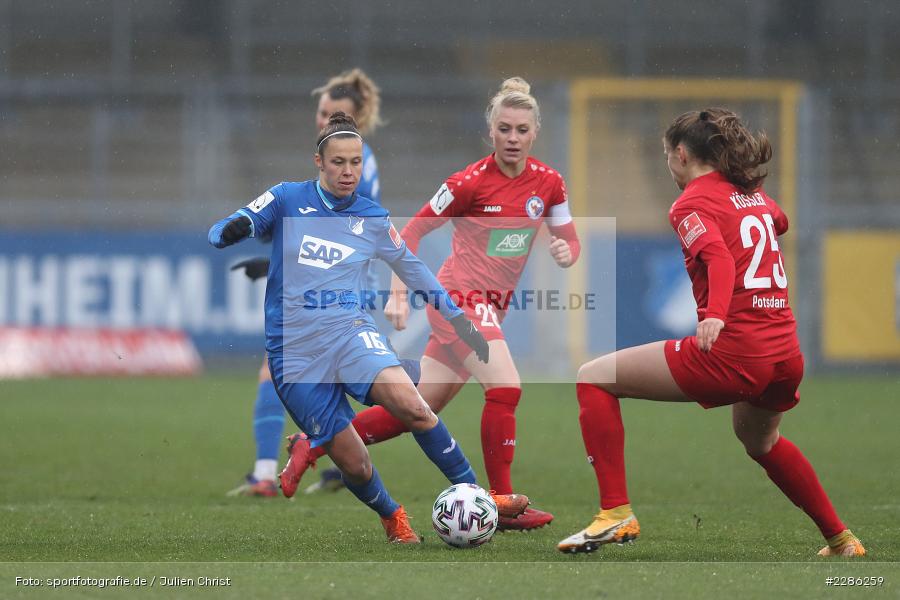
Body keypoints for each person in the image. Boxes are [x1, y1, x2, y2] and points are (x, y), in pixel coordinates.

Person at [557, 108, 865, 557]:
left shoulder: (690, 203)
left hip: (736, 350)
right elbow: (778, 222)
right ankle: (842, 540)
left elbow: (718, 258)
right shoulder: (751, 193)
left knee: (593, 376)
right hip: (784, 353)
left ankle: (615, 513)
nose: (668, 165)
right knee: (760, 441)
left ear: (681, 154)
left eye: (667, 156)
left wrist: (715, 313)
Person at [209, 112, 529, 543]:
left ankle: (480, 497)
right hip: (295, 354)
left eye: (355, 162)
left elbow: (414, 270)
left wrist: (457, 318)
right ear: (319, 162)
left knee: (414, 406)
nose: (348, 172)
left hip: (349, 334)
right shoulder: (288, 198)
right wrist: (232, 230)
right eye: (338, 162)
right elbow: (235, 224)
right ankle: (392, 514)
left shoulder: (372, 218)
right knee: (355, 465)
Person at [280, 77, 581, 531]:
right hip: (458, 300)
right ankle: (498, 500)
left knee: (417, 410)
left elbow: (570, 241)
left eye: (521, 129)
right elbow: (412, 231)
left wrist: (565, 252)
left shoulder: (550, 184)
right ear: (490, 132)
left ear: (535, 131)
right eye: (504, 129)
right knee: (506, 387)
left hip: (490, 307)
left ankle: (313, 442)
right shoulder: (468, 183)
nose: (512, 138)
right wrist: (401, 291)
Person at [227, 69, 418, 498]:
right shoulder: (348, 160)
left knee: (296, 372)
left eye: (333, 114)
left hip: (344, 285)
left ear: (356, 122)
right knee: (338, 379)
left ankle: (273, 469)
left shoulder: (354, 168)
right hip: (340, 282)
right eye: (320, 111)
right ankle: (329, 462)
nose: (323, 120)